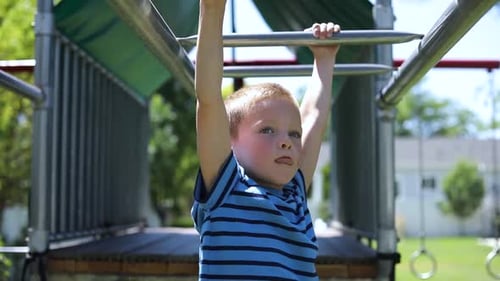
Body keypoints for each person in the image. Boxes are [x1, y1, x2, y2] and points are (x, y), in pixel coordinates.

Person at [191, 0, 341, 279]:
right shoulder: (226, 187)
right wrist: (212, 11)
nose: (286, 142)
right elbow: (209, 99)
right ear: (229, 141)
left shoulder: (294, 192)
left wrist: (324, 60)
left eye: (293, 135)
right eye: (267, 130)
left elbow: (313, 119)